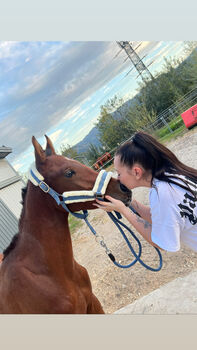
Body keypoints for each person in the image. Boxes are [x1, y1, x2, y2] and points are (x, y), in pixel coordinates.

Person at [94, 131, 197, 252]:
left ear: (137, 172)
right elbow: (162, 218)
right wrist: (130, 202)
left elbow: (163, 243)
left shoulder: (161, 194)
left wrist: (123, 210)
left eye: (119, 173)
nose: (118, 178)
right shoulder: (172, 175)